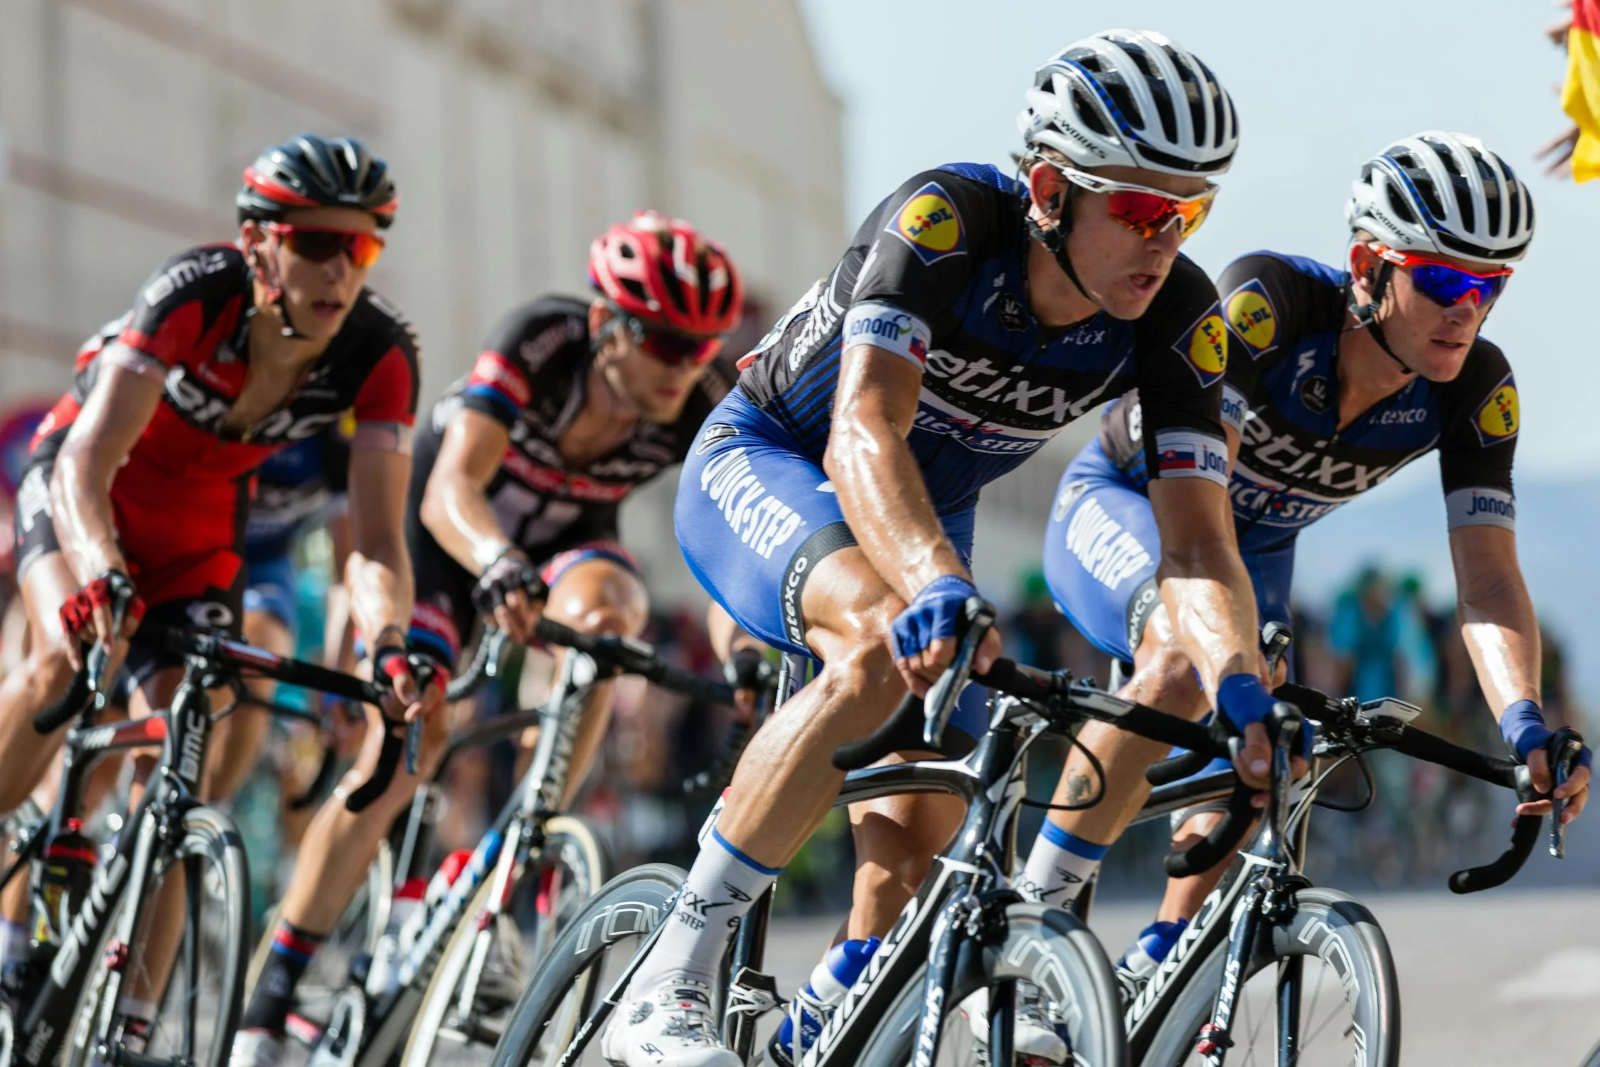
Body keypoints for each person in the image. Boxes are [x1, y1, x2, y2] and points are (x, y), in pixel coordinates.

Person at [605, 30, 1299, 1067]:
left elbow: (1198, 547)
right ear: (1054, 187)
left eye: (1190, 209)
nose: (1167, 240)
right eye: (1144, 209)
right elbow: (862, 430)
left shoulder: (1180, 315)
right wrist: (933, 579)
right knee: (879, 644)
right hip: (779, 461)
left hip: (924, 513)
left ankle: (808, 1036)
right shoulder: (945, 223)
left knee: (914, 850)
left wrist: (1238, 686)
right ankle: (670, 971)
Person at [1036, 131, 1592, 1012]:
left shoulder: (1476, 387)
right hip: (1138, 506)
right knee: (1191, 659)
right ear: (1369, 265)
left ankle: (1152, 971)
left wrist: (1525, 724)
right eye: (1444, 280)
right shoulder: (1271, 305)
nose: (1468, 309)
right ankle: (1039, 920)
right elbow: (1195, 518)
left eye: (1491, 287)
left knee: (1278, 756)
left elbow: (1487, 583)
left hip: (1253, 555)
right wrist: (1238, 641)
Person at [231, 210, 749, 1066]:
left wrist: (744, 650)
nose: (679, 365)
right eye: (659, 338)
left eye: (698, 346)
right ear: (604, 325)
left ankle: (527, 835)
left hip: (562, 549)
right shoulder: (541, 340)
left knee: (612, 610)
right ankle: (275, 991)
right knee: (408, 742)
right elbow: (446, 492)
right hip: (445, 543)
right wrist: (498, 561)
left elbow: (727, 545)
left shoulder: (696, 398)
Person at [0, 133, 444, 1050]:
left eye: (359, 248)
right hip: (91, 495)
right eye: (316, 244)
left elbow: (372, 544)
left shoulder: (379, 354)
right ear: (259, 244)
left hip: (199, 530)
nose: (338, 270)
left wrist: (389, 642)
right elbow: (86, 461)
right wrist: (99, 571)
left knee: (181, 758)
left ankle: (131, 1026)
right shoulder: (193, 295)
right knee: (59, 660)